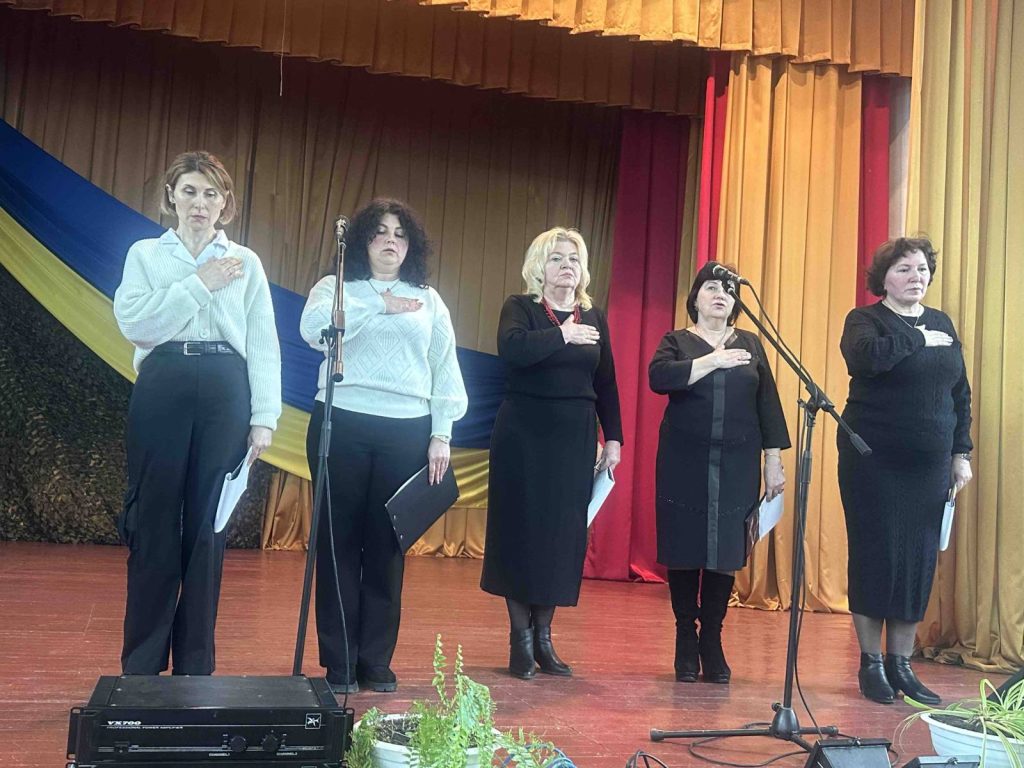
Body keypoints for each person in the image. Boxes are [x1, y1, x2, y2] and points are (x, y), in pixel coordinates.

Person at [113, 151, 281, 675]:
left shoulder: (246, 262)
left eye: (211, 194)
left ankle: (195, 665)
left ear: (225, 203)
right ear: (172, 197)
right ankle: (142, 664)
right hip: (163, 381)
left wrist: (264, 417)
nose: (199, 203)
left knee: (209, 525)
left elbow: (264, 342)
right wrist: (199, 282)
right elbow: (135, 324)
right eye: (189, 191)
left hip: (227, 388)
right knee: (153, 519)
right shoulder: (145, 254)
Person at [299, 198, 467, 694]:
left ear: (411, 245)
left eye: (400, 233)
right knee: (337, 544)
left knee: (388, 548)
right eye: (380, 232)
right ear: (362, 241)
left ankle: (375, 660)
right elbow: (312, 332)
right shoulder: (336, 289)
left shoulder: (429, 299)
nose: (391, 241)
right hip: (341, 422)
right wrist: (378, 304)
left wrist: (441, 434)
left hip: (406, 429)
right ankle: (340, 662)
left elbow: (445, 367)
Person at [480, 227, 623, 680]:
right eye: (557, 258)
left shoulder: (593, 316)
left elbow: (606, 382)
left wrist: (614, 439)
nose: (566, 266)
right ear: (539, 267)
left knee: (560, 539)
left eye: (574, 259)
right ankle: (520, 640)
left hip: (574, 439)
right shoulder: (519, 308)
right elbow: (513, 350)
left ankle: (544, 638)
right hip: (523, 434)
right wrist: (563, 335)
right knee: (520, 533)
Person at [838, 237, 973, 706]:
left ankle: (901, 665)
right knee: (876, 555)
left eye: (921, 269)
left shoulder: (943, 323)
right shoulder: (865, 320)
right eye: (904, 269)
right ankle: (871, 664)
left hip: (929, 464)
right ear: (884, 278)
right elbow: (864, 359)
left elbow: (959, 393)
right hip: (873, 459)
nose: (916, 277)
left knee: (917, 560)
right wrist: (916, 338)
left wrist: (961, 453)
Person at [648, 261, 789, 684]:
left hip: (737, 463)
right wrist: (713, 361)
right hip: (684, 460)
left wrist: (773, 459)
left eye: (728, 290)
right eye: (711, 287)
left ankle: (711, 637)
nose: (720, 294)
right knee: (684, 546)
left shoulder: (750, 343)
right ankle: (684, 637)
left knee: (725, 549)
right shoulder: (677, 341)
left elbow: (768, 404)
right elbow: (660, 378)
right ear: (695, 298)